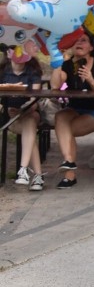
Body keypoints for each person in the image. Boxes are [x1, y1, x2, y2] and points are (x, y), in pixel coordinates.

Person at [52, 32, 94, 189]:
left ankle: (69, 175)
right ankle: (69, 161)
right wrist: (59, 61)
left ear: (91, 47)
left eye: (84, 41)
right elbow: (55, 85)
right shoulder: (68, 64)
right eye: (76, 41)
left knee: (66, 130)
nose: (79, 43)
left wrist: (90, 79)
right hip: (75, 107)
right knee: (60, 116)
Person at [2, 46, 44, 191]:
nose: (20, 54)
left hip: (30, 112)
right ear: (8, 53)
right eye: (17, 50)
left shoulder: (33, 72)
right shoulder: (2, 72)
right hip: (9, 117)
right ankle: (37, 175)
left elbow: (34, 101)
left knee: (30, 120)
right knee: (30, 132)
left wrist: (22, 110)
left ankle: (23, 170)